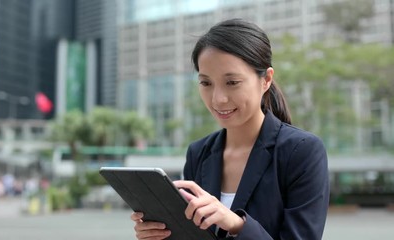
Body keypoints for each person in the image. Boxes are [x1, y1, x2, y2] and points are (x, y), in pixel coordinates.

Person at [131, 19, 329, 240]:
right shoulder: (199, 153)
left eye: (232, 82)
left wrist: (236, 225)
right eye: (206, 83)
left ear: (266, 80)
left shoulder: (301, 152)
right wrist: (164, 233)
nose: (218, 99)